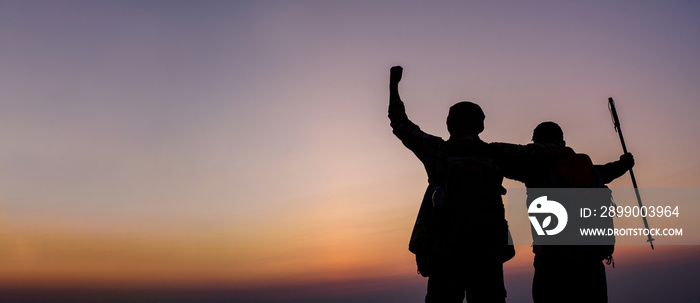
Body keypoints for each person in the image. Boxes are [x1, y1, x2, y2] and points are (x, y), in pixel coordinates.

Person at [389, 66, 511, 303]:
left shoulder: (437, 151)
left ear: (449, 123)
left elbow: (400, 124)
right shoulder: (497, 154)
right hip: (487, 253)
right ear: (481, 125)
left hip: (445, 253)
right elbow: (540, 160)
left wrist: (393, 86)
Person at [497, 121, 634, 303]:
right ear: (562, 140)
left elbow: (504, 162)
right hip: (590, 261)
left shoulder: (534, 168)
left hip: (552, 262)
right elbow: (608, 171)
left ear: (537, 141)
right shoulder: (586, 169)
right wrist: (625, 163)